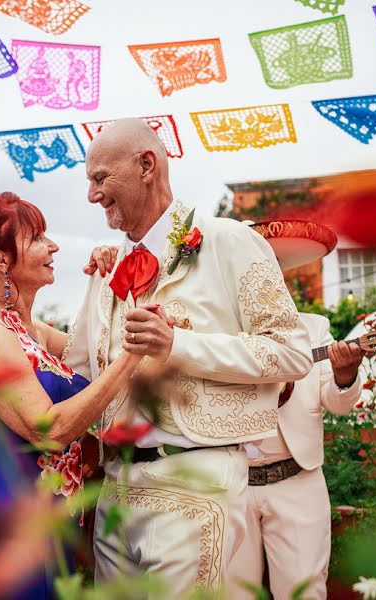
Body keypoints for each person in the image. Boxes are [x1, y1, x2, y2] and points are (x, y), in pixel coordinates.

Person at [64, 118, 313, 596]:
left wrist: (178, 345)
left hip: (193, 476)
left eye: (100, 178)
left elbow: (290, 350)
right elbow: (75, 367)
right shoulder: (106, 267)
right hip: (115, 483)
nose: (93, 196)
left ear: (146, 165)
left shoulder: (229, 242)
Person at [0, 191, 162, 598]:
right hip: (10, 525)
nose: (53, 246)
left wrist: (108, 277)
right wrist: (131, 358)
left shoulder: (33, 333)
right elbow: (49, 429)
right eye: (37, 237)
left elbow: (99, 351)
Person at [227, 219, 366, 600]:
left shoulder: (315, 328)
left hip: (297, 481)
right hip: (230, 483)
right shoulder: (219, 333)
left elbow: (337, 403)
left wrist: (344, 373)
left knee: (303, 592)